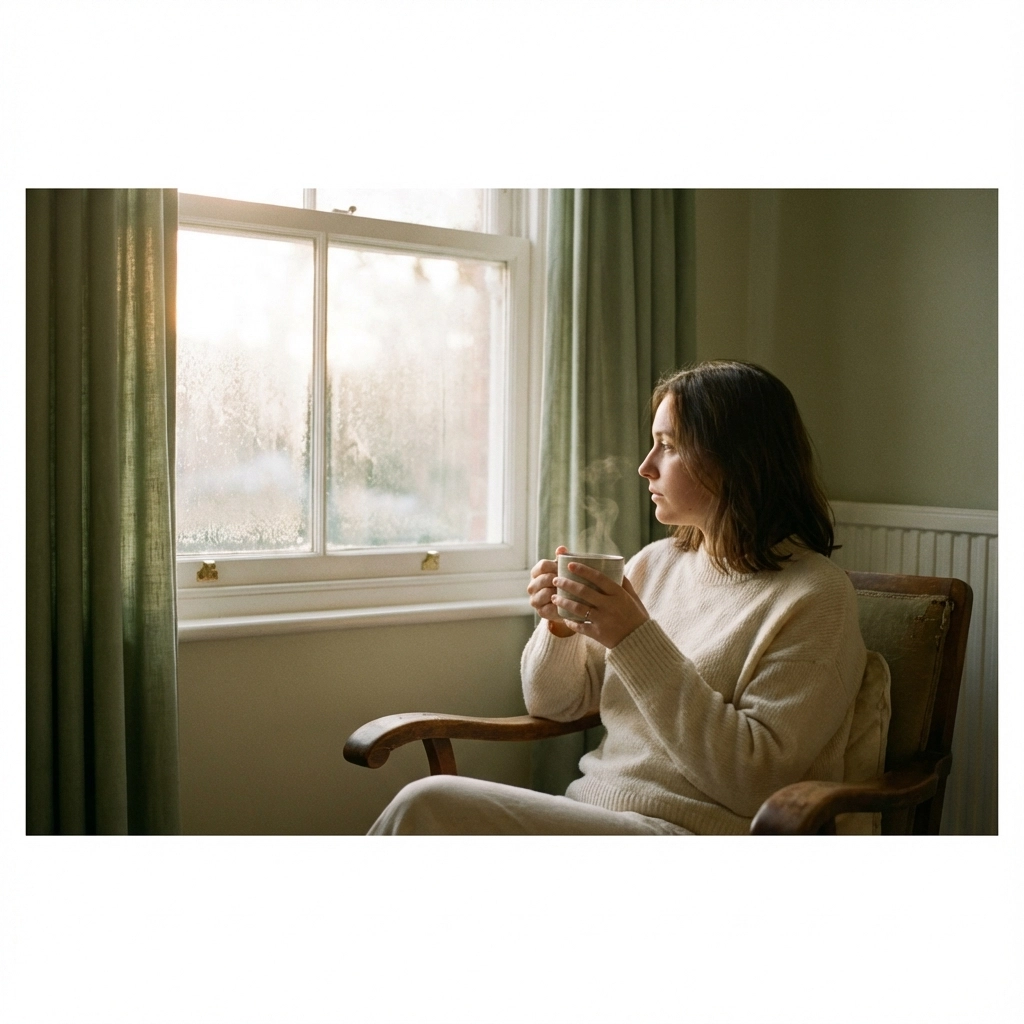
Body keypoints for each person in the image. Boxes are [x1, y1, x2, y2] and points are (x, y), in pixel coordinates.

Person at [368, 360, 868, 835]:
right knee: (429, 808)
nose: (645, 467)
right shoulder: (656, 563)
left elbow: (754, 780)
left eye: (667, 446)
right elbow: (556, 706)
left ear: (736, 460)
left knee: (426, 804)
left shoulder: (816, 597)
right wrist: (560, 628)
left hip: (690, 836)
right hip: (592, 816)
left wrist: (634, 638)